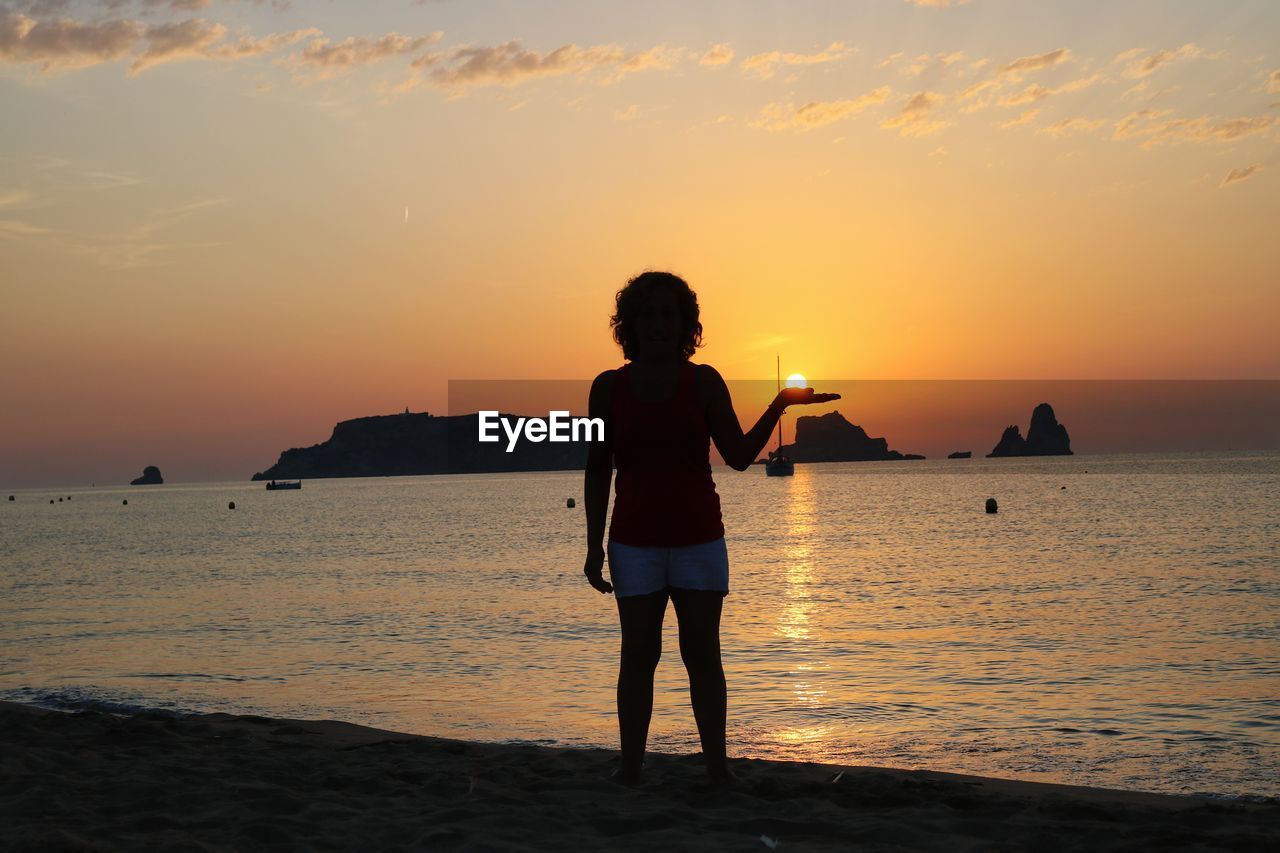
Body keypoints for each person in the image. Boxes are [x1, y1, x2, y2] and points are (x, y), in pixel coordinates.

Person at [582, 270, 838, 787]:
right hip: (633, 542)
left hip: (699, 538)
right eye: (647, 315)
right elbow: (596, 468)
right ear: (630, 324)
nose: (657, 324)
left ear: (685, 325)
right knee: (638, 657)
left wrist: (780, 404)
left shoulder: (703, 382)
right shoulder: (609, 388)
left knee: (702, 657)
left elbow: (741, 456)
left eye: (667, 315)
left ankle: (717, 769)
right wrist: (592, 548)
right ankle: (630, 767)